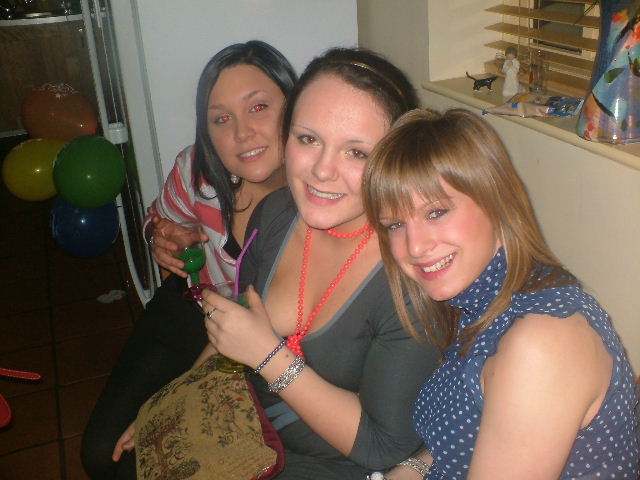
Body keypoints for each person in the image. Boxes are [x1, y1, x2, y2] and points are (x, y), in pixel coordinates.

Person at [195, 48, 441, 479]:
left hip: (335, 465)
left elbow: (382, 446)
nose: (322, 172)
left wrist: (268, 356)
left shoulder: (411, 275)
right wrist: (176, 401)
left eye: (357, 152)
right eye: (308, 139)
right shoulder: (275, 213)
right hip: (248, 430)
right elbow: (236, 328)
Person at [362, 108, 639, 479]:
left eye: (436, 212)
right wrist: (411, 468)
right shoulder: (479, 299)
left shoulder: (541, 343)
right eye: (395, 224)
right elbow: (465, 434)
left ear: (495, 200)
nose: (414, 246)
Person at [81, 40, 297, 480]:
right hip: (190, 310)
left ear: (294, 107)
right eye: (221, 118)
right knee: (103, 453)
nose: (242, 133)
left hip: (262, 342)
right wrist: (159, 236)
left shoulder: (320, 195)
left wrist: (173, 402)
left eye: (258, 107)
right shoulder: (197, 171)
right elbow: (158, 217)